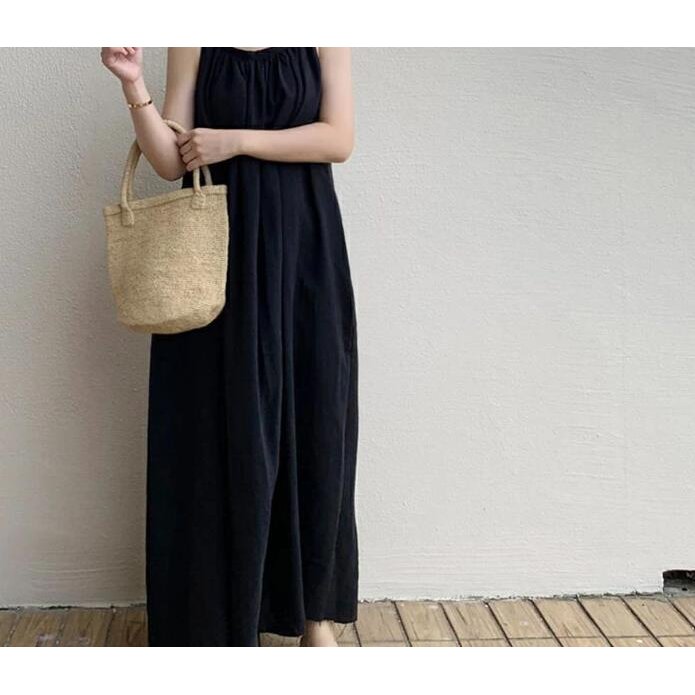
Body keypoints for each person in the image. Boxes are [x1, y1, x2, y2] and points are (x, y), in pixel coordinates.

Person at [100, 47, 359, 647]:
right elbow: (171, 159)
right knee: (217, 428)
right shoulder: (193, 34)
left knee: (314, 418)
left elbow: (338, 139)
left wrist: (236, 141)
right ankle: (219, 624)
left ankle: (315, 618)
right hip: (214, 253)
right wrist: (133, 86)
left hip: (304, 248)